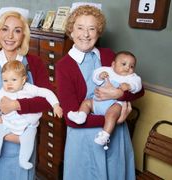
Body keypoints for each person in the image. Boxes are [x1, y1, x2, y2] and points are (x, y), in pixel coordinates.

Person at [55, 5, 144, 180]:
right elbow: (71, 119)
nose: (85, 34)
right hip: (85, 139)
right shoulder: (64, 66)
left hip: (116, 138)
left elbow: (139, 90)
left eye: (92, 28)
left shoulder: (109, 55)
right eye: (80, 27)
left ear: (99, 32)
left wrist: (120, 95)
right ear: (71, 31)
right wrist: (114, 120)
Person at [0, 7, 53, 180]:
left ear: (24, 35)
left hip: (23, 139)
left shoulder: (35, 63)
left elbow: (46, 100)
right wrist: (2, 131)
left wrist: (17, 105)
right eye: (5, 29)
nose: (10, 36)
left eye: (17, 31)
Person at [0, 60, 62, 170]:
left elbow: (47, 93)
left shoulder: (29, 89)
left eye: (13, 80)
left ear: (23, 80)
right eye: (5, 80)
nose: (9, 84)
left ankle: (23, 160)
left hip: (27, 125)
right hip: (9, 123)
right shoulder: (3, 91)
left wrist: (56, 105)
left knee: (28, 139)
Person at [67, 51, 142, 149]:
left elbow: (139, 87)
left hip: (114, 105)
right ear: (113, 64)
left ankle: (105, 135)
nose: (128, 68)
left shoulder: (131, 77)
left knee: (112, 114)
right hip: (97, 102)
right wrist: (100, 76)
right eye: (124, 64)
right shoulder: (107, 70)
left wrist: (129, 86)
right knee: (86, 103)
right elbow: (95, 75)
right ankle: (81, 116)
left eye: (131, 66)